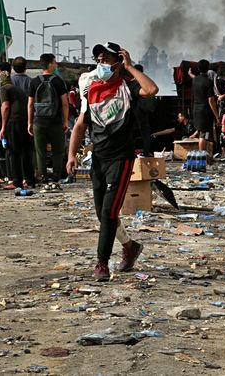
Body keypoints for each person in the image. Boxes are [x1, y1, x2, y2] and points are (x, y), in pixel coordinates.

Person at [66, 42, 159, 282]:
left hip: (121, 158)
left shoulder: (128, 88)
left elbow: (151, 89)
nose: (101, 64)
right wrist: (72, 156)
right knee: (102, 214)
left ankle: (102, 264)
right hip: (99, 158)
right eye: (98, 59)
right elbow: (80, 125)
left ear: (118, 61)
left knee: (109, 211)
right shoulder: (91, 90)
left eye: (106, 59)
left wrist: (130, 67)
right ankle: (130, 246)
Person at [28, 53, 69, 183]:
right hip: (55, 122)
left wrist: (30, 122)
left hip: (39, 122)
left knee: (41, 152)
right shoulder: (58, 81)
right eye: (55, 62)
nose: (56, 64)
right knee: (58, 151)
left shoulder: (34, 81)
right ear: (50, 64)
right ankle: (56, 177)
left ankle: (44, 177)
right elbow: (65, 103)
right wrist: (66, 121)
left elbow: (30, 105)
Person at [0, 65, 35, 189]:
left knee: (13, 152)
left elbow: (5, 106)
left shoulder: (4, 89)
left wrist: (3, 127)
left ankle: (16, 181)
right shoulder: (16, 89)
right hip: (25, 122)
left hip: (14, 122)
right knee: (26, 152)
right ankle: (30, 180)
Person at [190, 59, 218, 153]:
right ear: (208, 69)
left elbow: (194, 77)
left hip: (196, 110)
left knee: (204, 133)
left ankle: (205, 155)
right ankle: (202, 155)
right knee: (204, 135)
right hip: (205, 112)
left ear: (198, 68)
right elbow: (211, 100)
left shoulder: (194, 80)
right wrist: (217, 116)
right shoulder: (208, 82)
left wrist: (190, 73)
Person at [133, 64, 157, 156]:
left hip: (134, 116)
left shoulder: (131, 84)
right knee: (145, 136)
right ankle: (145, 153)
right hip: (144, 116)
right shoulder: (146, 84)